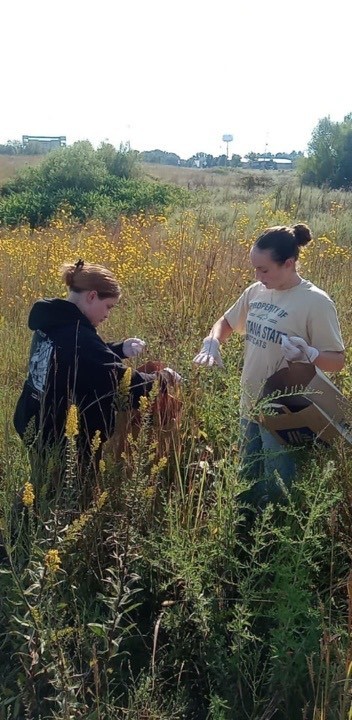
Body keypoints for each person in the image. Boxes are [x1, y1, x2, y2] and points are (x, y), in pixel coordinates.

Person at [193, 224, 345, 505]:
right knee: (246, 480)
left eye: (264, 270)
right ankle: (244, 537)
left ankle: (272, 544)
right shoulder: (256, 292)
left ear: (288, 264)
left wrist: (310, 354)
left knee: (279, 487)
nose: (257, 276)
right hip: (249, 402)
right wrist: (212, 341)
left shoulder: (316, 302)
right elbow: (226, 322)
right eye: (255, 268)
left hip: (285, 411)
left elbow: (337, 361)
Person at [14, 259, 180, 499]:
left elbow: (79, 361)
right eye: (109, 306)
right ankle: (22, 528)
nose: (107, 315)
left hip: (34, 417)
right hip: (62, 436)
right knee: (64, 493)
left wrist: (119, 348)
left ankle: (19, 522)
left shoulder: (53, 321)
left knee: (41, 481)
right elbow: (121, 382)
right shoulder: (78, 335)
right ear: (92, 296)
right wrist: (163, 378)